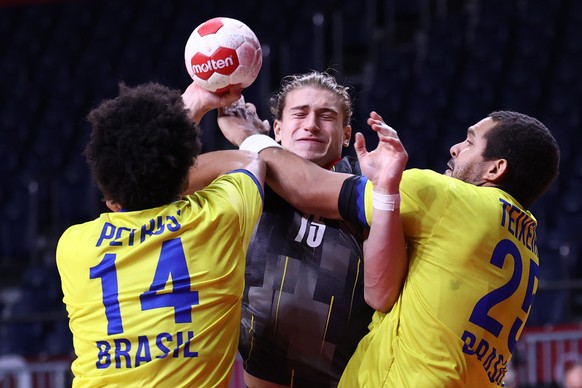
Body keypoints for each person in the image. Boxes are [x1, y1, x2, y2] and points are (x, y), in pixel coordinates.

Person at [56, 81, 266, 387]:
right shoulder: (219, 217)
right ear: (183, 176)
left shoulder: (73, 246)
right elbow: (250, 161)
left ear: (111, 199)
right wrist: (236, 129)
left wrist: (186, 108)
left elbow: (149, 179)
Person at [336, 110, 560, 386]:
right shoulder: (527, 243)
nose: (455, 148)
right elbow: (380, 295)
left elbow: (309, 189)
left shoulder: (449, 199)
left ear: (495, 169)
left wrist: (265, 144)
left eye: (469, 142)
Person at [216, 71, 407, 388]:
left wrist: (250, 138)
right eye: (299, 113)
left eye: (326, 115)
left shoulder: (369, 190)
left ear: (347, 135)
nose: (311, 124)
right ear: (278, 129)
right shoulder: (244, 180)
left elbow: (384, 296)